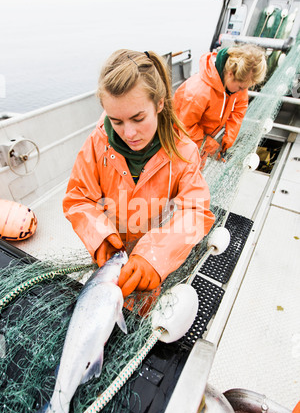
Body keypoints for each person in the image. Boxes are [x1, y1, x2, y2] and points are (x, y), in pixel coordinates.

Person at [63, 49, 215, 301]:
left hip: (154, 262)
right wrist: (100, 237)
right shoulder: (96, 143)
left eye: (138, 118)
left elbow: (196, 212)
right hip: (110, 261)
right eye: (117, 121)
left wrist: (155, 255)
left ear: (159, 103)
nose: (129, 132)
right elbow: (78, 198)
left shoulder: (184, 151)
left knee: (143, 310)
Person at [173, 44, 267, 170]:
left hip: (201, 145)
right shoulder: (198, 92)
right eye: (241, 87)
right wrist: (211, 146)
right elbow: (184, 128)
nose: (242, 91)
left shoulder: (236, 85)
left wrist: (228, 139)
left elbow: (240, 105)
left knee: (195, 176)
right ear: (230, 73)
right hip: (178, 146)